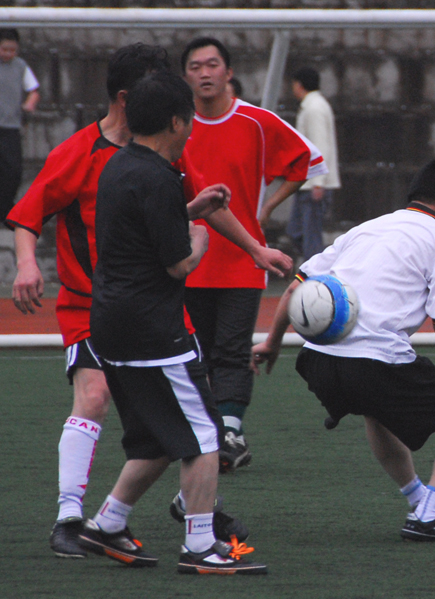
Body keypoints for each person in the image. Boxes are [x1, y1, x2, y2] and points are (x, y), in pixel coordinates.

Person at [7, 43, 288, 559]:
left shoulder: (156, 159)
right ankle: (72, 517)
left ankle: (133, 516)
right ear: (127, 98)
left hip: (143, 308)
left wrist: (254, 248)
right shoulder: (85, 154)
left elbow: (194, 206)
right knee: (107, 400)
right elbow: (28, 214)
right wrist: (27, 263)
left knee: (173, 419)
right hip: (98, 305)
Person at [81, 71, 266, 574]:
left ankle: (107, 524)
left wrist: (189, 208)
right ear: (177, 122)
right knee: (204, 435)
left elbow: (140, 224)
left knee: (157, 437)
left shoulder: (118, 165)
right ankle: (201, 545)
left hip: (111, 323)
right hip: (152, 327)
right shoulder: (160, 175)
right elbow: (178, 264)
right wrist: (200, 236)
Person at [252, 159, 435, 541]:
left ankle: (419, 499)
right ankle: (429, 517)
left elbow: (297, 287)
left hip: (317, 361)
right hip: (375, 362)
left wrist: (272, 342)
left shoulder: (367, 228)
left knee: (376, 411)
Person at [181, 37, 327, 472]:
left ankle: (230, 432)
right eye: (195, 66)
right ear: (185, 76)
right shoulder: (175, 125)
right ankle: (209, 431)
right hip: (185, 262)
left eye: (212, 64)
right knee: (195, 354)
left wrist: (266, 207)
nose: (204, 73)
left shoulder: (257, 122)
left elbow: (307, 161)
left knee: (231, 350)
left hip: (244, 262)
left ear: (228, 72)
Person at [287, 66, 341, 260]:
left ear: (299, 85)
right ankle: (315, 268)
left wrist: (318, 182)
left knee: (309, 237)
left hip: (312, 183)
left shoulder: (314, 108)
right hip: (307, 182)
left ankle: (316, 271)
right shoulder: (314, 106)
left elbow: (320, 145)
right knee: (299, 232)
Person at [0, 28, 39, 222]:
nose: (8, 54)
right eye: (4, 49)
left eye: (12, 50)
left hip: (11, 126)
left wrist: (29, 103)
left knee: (13, 171)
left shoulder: (20, 66)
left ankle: (5, 209)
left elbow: (33, 90)